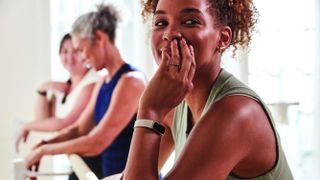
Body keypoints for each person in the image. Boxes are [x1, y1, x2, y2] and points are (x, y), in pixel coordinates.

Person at [122, 0, 294, 179]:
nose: (169, 34)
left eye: (190, 21)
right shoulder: (174, 110)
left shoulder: (236, 113)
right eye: (161, 23)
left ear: (223, 38)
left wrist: (149, 109)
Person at [24, 4, 146, 178]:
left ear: (99, 38)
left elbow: (97, 142)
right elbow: (79, 129)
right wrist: (43, 144)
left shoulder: (131, 81)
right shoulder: (103, 81)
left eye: (81, 49)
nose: (82, 57)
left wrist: (45, 151)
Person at [15, 33, 102, 179]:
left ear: (84, 53)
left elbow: (67, 123)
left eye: (75, 51)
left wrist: (27, 126)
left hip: (93, 158)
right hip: (75, 156)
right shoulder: (63, 88)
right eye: (64, 51)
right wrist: (43, 89)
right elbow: (43, 120)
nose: (70, 56)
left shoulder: (92, 83)